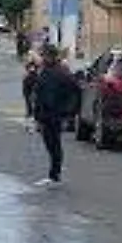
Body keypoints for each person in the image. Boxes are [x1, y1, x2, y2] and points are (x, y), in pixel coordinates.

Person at [31, 45, 78, 187]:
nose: (42, 58)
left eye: (44, 55)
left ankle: (55, 175)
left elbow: (74, 92)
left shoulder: (61, 72)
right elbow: (39, 94)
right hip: (45, 114)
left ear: (51, 56)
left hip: (55, 113)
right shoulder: (45, 71)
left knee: (54, 144)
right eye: (42, 55)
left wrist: (67, 113)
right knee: (50, 144)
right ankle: (54, 173)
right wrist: (37, 116)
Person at [21, 60, 40, 132]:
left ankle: (31, 125)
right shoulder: (35, 76)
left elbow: (26, 86)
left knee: (31, 109)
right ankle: (32, 125)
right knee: (32, 109)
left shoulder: (29, 76)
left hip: (31, 94)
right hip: (31, 94)